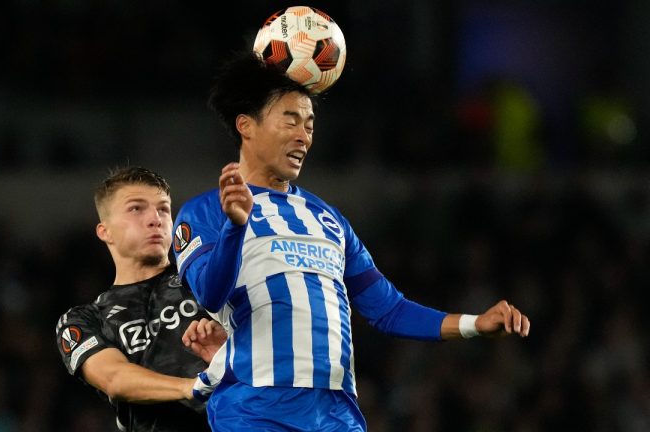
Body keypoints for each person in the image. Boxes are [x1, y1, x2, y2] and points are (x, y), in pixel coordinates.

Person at [171, 51, 531, 431]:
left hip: (336, 414)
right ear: (246, 125)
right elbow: (210, 295)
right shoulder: (204, 213)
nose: (303, 136)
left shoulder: (328, 219)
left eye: (310, 125)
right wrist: (235, 227)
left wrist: (476, 323)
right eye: (290, 120)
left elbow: (388, 309)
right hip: (254, 409)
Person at [55, 166, 226, 432]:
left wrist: (230, 352)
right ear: (105, 231)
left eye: (163, 209)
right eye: (136, 209)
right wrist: (194, 386)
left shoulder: (205, 278)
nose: (155, 219)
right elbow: (114, 378)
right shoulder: (85, 319)